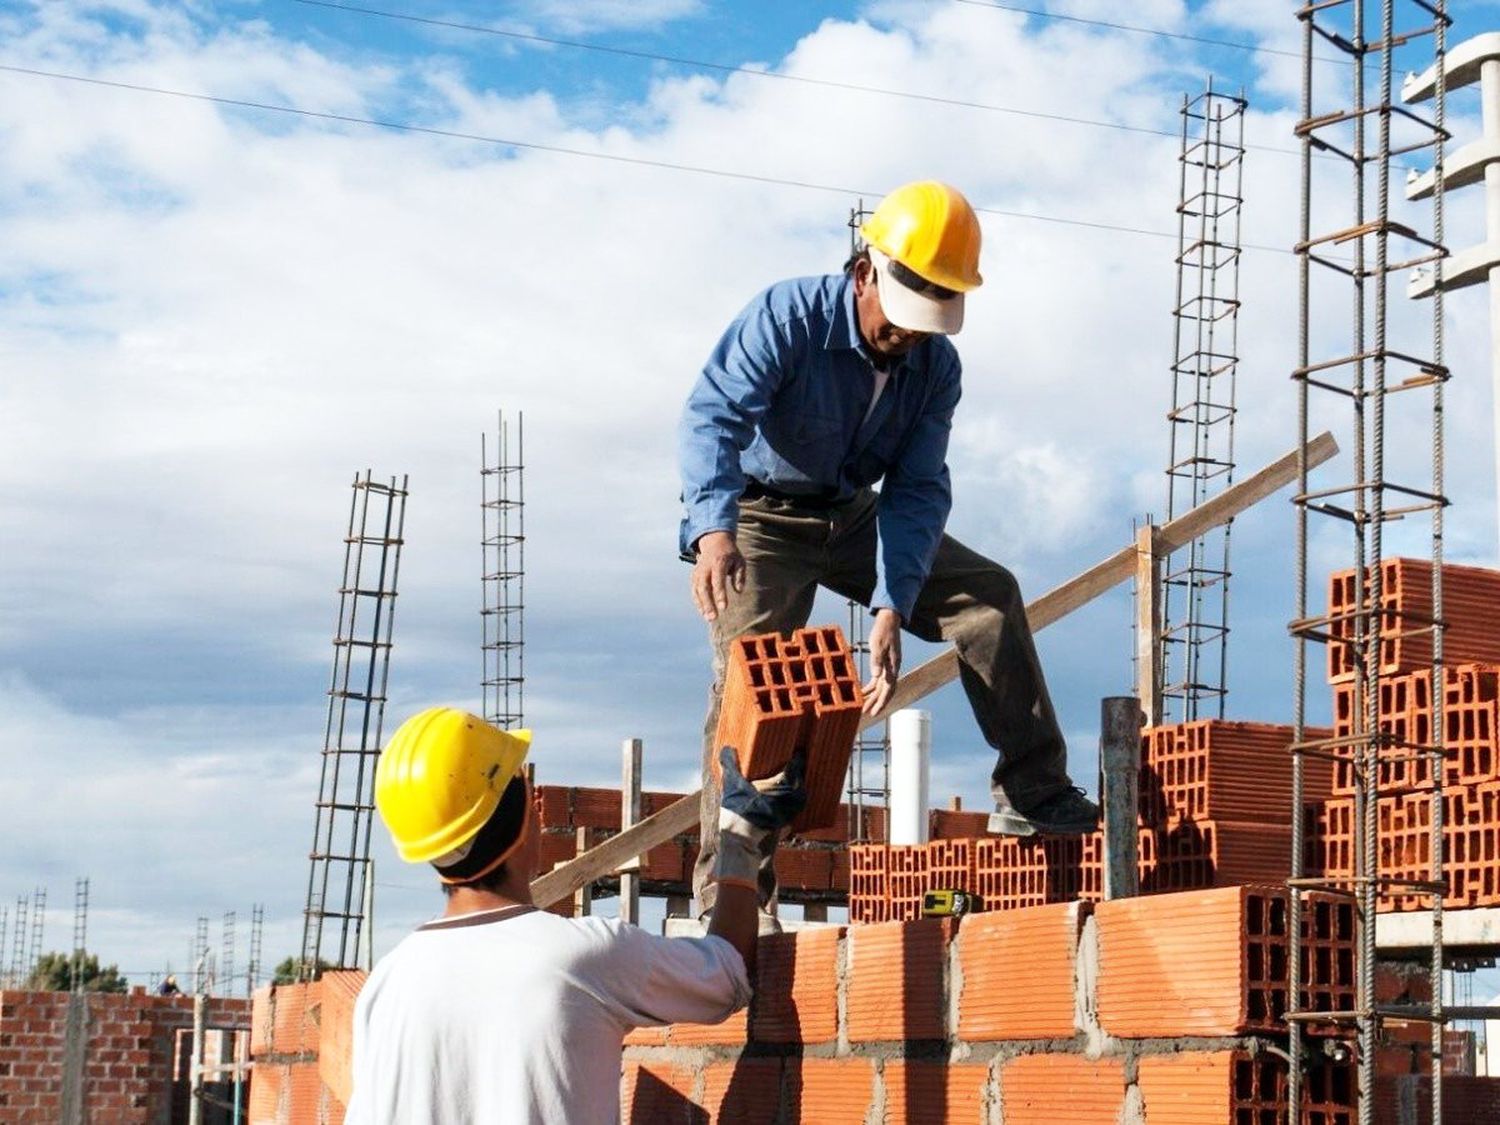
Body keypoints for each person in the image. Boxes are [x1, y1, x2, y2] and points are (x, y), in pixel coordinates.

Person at [678, 179, 1101, 917]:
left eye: (929, 318)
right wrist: (714, 530)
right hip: (760, 518)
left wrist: (890, 605)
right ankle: (733, 892)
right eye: (903, 315)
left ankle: (1034, 788)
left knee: (988, 597)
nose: (908, 334)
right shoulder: (787, 317)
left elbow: (917, 490)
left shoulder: (935, 369)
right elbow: (712, 417)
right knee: (757, 685)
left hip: (853, 513)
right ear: (865, 270)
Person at [344, 706, 807, 1125]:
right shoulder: (580, 958)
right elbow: (726, 974)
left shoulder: (386, 986)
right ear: (525, 817)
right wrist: (741, 839)